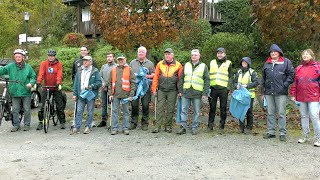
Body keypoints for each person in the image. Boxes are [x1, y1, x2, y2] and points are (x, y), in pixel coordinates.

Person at [261, 44, 294, 141]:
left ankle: (282, 133)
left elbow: (291, 75)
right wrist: (263, 92)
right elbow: (263, 78)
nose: (273, 53)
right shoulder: (267, 63)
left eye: (275, 51)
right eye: (271, 52)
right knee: (270, 113)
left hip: (281, 92)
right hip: (268, 92)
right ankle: (271, 131)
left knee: (281, 113)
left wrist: (284, 85)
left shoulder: (286, 62)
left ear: (279, 53)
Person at [0, 49, 36, 132]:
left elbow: (33, 77)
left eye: (19, 56)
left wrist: (31, 83)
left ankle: (27, 125)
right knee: (15, 109)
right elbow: (2, 70)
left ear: (23, 57)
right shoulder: (11, 66)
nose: (18, 58)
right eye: (16, 57)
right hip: (15, 91)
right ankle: (16, 125)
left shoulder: (28, 67)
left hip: (25, 91)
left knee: (27, 108)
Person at [290, 49, 320, 146]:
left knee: (314, 117)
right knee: (304, 116)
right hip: (301, 97)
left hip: (314, 96)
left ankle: (318, 138)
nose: (305, 55)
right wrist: (293, 94)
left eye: (307, 54)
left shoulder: (317, 67)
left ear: (311, 56)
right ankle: (305, 136)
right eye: (303, 54)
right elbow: (295, 82)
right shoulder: (299, 68)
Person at [177, 49, 210, 135]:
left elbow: (207, 80)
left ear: (199, 56)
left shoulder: (204, 66)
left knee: (196, 111)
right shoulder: (186, 65)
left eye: (195, 55)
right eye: (192, 55)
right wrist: (180, 90)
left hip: (197, 93)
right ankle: (183, 127)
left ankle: (194, 128)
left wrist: (205, 93)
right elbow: (181, 78)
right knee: (183, 110)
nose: (194, 56)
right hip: (186, 91)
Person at [151, 48, 183, 133]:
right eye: (166, 54)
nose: (167, 55)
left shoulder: (178, 65)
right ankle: (157, 126)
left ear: (172, 55)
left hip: (173, 90)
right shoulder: (159, 64)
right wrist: (154, 88)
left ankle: (168, 126)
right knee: (160, 108)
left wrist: (180, 91)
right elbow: (156, 77)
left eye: (169, 54)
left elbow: (180, 79)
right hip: (161, 90)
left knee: (170, 109)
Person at [35, 49, 66, 130]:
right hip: (46, 86)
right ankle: (41, 122)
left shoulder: (59, 64)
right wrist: (39, 82)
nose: (51, 57)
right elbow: (41, 73)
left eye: (52, 56)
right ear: (47, 56)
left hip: (56, 86)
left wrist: (58, 82)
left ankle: (62, 121)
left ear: (55, 56)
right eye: (49, 56)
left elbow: (59, 74)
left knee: (59, 105)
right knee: (43, 105)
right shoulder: (44, 64)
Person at [71, 56, 102, 134]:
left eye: (86, 60)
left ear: (90, 62)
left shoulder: (95, 71)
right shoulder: (79, 70)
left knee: (90, 111)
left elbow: (99, 82)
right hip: (80, 94)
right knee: (79, 111)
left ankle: (88, 126)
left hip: (90, 94)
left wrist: (92, 86)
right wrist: (74, 94)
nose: (84, 62)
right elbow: (76, 83)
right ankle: (77, 127)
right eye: (84, 60)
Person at [108, 54, 136, 135]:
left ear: (125, 60)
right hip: (115, 94)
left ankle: (125, 128)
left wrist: (131, 95)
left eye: (122, 60)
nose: (120, 61)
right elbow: (109, 83)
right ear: (117, 61)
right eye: (119, 60)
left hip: (126, 95)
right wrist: (110, 94)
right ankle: (114, 128)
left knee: (126, 112)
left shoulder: (129, 70)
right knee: (114, 111)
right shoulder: (113, 70)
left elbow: (133, 83)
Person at [208, 47, 233, 134]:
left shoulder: (228, 63)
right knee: (212, 107)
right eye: (218, 53)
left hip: (223, 89)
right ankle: (210, 125)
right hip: (213, 88)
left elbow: (230, 76)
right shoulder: (212, 62)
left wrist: (228, 88)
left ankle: (222, 126)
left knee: (223, 108)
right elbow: (208, 74)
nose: (219, 54)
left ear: (224, 54)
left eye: (221, 53)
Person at [129, 46, 155, 131]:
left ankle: (145, 123)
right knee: (134, 105)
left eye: (142, 52)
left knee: (145, 105)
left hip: (145, 88)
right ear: (137, 53)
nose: (140, 53)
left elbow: (154, 74)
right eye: (139, 52)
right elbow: (128, 73)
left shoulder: (150, 63)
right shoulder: (132, 63)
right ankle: (133, 122)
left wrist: (147, 76)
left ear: (145, 53)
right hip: (135, 87)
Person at [233, 57, 259, 134]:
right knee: (241, 111)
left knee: (249, 111)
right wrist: (236, 86)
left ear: (248, 63)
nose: (244, 63)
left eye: (245, 62)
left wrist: (247, 85)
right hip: (240, 95)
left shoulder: (252, 72)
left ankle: (249, 127)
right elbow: (234, 82)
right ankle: (241, 127)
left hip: (249, 95)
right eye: (242, 62)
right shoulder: (239, 72)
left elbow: (256, 82)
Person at [97, 52, 117, 128]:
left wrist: (107, 85)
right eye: (107, 57)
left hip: (113, 88)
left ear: (113, 58)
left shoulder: (116, 66)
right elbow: (100, 76)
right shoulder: (103, 66)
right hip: (104, 88)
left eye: (110, 56)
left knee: (113, 104)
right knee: (104, 104)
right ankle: (104, 120)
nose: (109, 58)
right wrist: (103, 84)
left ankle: (113, 121)